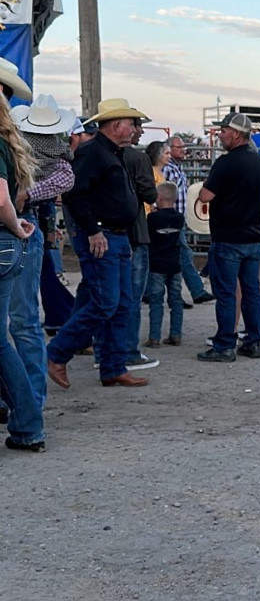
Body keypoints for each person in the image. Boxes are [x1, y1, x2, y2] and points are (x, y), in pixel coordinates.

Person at [46, 99, 151, 390]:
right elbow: (74, 194)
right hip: (102, 237)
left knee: (120, 303)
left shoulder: (110, 153)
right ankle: (57, 353)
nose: (135, 129)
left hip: (114, 236)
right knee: (106, 302)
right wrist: (93, 230)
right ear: (116, 125)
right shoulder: (94, 153)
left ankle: (113, 367)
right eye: (131, 124)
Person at [8, 98, 76, 407]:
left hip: (19, 223)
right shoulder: (57, 153)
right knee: (25, 319)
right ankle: (31, 400)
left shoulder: (16, 143)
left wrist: (26, 192)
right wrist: (31, 193)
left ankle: (24, 398)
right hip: (27, 223)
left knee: (22, 319)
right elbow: (66, 177)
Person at [0, 58, 46, 450]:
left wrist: (15, 225)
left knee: (5, 337)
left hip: (5, 237)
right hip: (9, 242)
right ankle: (26, 420)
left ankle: (29, 422)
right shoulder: (9, 141)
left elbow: (1, 199)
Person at [196, 111, 260, 362]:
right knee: (251, 291)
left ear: (236, 134)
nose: (220, 135)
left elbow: (205, 196)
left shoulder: (226, 163)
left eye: (224, 131)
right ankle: (253, 341)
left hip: (229, 237)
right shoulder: (259, 162)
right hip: (255, 236)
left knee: (226, 294)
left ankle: (225, 345)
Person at [123, 118, 160, 371]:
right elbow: (149, 194)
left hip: (106, 233)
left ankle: (106, 351)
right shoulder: (137, 158)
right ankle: (128, 351)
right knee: (133, 296)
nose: (141, 131)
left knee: (108, 295)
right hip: (135, 232)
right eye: (137, 126)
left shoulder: (95, 154)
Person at [161, 136, 215, 306]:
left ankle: (164, 294)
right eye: (179, 147)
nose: (183, 150)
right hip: (171, 219)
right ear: (170, 149)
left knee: (176, 256)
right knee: (183, 255)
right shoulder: (169, 169)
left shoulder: (177, 168)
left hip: (176, 219)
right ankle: (195, 291)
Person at [143, 181, 185, 347]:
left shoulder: (153, 218)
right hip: (175, 264)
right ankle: (176, 334)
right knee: (176, 301)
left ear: (158, 198)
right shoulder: (179, 218)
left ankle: (154, 337)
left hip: (157, 264)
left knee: (156, 302)